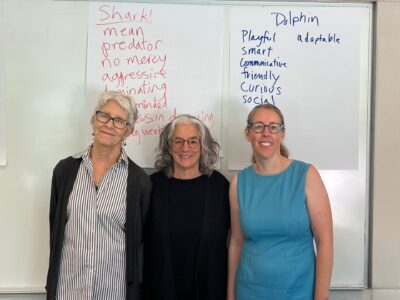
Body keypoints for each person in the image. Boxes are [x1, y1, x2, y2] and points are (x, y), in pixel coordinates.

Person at [46, 91, 151, 300]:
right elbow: (55, 231)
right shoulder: (65, 171)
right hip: (68, 290)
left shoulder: (140, 181)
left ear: (128, 131)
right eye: (104, 115)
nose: (109, 124)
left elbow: (140, 244)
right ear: (93, 119)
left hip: (114, 292)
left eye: (119, 121)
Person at [227, 104, 333, 300]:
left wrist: (321, 297)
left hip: (298, 293)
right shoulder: (238, 183)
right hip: (248, 292)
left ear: (282, 134)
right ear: (248, 133)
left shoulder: (307, 175)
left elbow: (325, 241)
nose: (266, 133)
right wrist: (230, 295)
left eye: (273, 127)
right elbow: (236, 242)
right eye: (258, 126)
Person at [143, 114, 230, 300]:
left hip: (210, 290)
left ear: (203, 145)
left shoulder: (220, 187)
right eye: (178, 141)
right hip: (160, 290)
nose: (185, 148)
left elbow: (236, 239)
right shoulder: (152, 186)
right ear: (169, 145)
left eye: (193, 141)